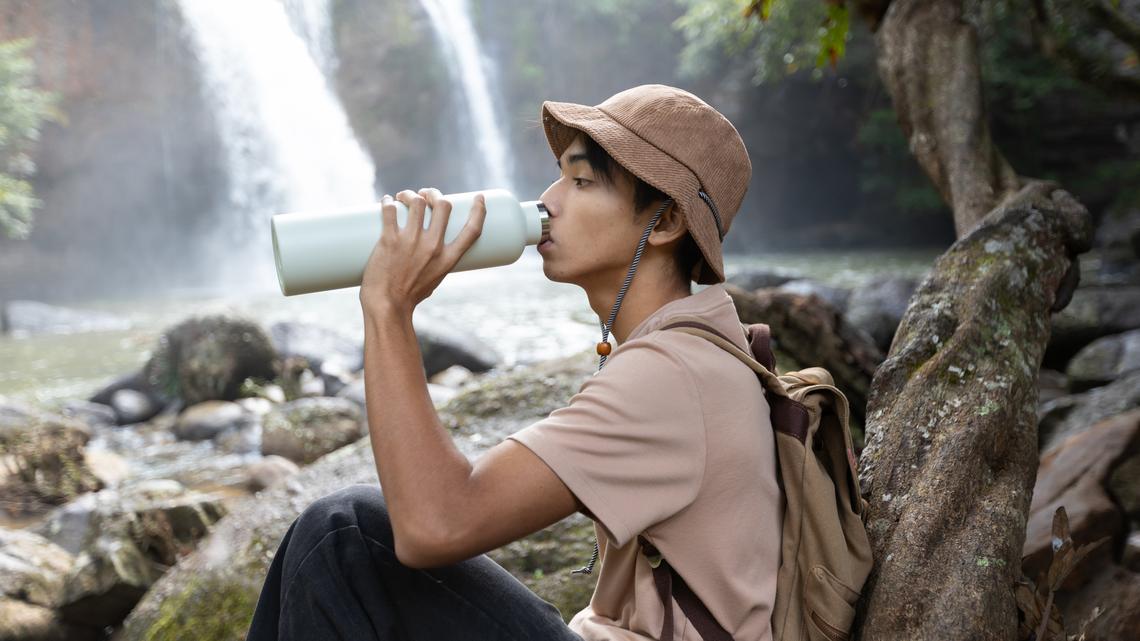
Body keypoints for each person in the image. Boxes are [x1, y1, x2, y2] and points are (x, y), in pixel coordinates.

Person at [246, 84, 782, 641]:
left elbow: (436, 524)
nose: (548, 200)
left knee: (344, 535)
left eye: (581, 181)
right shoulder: (698, 348)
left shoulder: (673, 375)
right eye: (557, 175)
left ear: (666, 221)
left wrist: (388, 309)